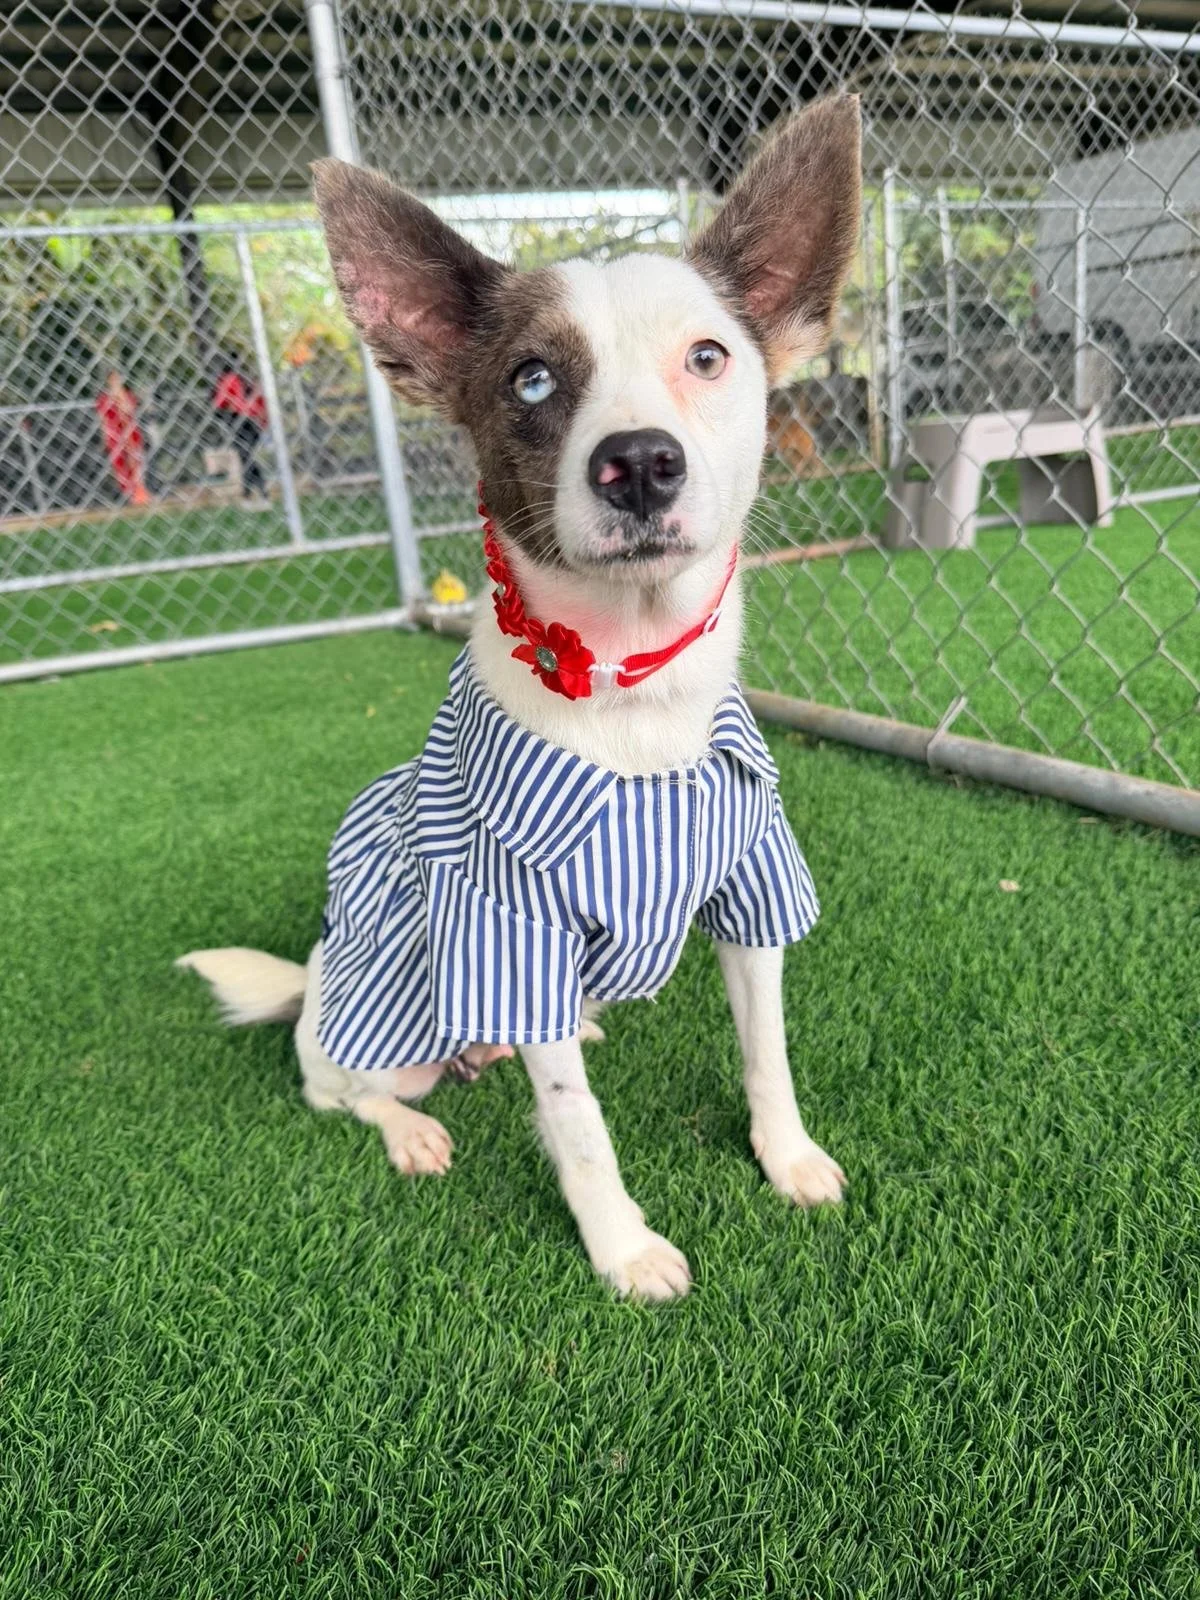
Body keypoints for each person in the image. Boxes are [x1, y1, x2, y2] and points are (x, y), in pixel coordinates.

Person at [212, 355, 268, 499]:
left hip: (240, 419)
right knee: (246, 455)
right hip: (252, 420)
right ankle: (252, 488)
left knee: (245, 455)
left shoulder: (229, 379)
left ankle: (256, 486)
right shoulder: (247, 379)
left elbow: (220, 403)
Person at [94, 370, 150, 506]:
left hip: (130, 432)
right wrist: (105, 438)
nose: (115, 382)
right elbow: (103, 419)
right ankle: (128, 493)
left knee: (136, 461)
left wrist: (120, 396)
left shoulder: (127, 395)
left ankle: (140, 490)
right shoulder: (103, 399)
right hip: (115, 434)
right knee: (120, 464)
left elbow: (129, 410)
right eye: (112, 380)